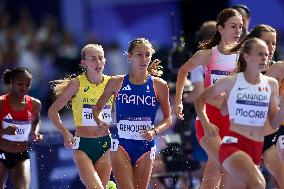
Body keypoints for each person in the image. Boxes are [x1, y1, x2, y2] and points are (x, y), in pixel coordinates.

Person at [195, 38, 284, 189]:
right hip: (233, 145)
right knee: (258, 183)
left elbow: (274, 123)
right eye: (259, 54)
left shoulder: (271, 84)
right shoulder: (231, 81)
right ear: (247, 57)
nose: (265, 57)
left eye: (267, 54)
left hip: (255, 148)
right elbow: (200, 99)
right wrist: (206, 122)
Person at [175, 8, 242, 188]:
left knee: (211, 181)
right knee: (228, 168)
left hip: (231, 123)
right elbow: (183, 71)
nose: (238, 31)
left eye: (240, 27)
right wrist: (178, 102)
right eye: (233, 26)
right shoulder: (207, 54)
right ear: (220, 28)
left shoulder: (241, 58)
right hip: (208, 122)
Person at [93, 38, 172, 189]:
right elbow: (97, 109)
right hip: (121, 145)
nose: (143, 59)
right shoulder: (116, 82)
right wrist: (100, 121)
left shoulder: (159, 85)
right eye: (139, 55)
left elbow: (168, 118)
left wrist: (155, 131)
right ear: (129, 57)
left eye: (147, 55)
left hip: (146, 146)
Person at [48, 44, 113, 189]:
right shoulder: (76, 84)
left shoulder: (112, 83)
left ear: (105, 60)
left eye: (100, 58)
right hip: (83, 147)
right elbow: (52, 111)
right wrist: (65, 134)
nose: (98, 62)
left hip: (105, 146)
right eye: (93, 59)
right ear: (84, 63)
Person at [229, 24, 284, 188]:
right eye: (266, 42)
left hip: (271, 138)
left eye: (273, 43)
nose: (271, 47)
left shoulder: (278, 68)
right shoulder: (237, 72)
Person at [0, 67, 43, 189]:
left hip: (21, 155)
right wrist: (4, 131)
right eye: (20, 84)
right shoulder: (1, 103)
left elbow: (36, 121)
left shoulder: (35, 104)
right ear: (12, 82)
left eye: (27, 85)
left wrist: (35, 132)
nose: (24, 88)